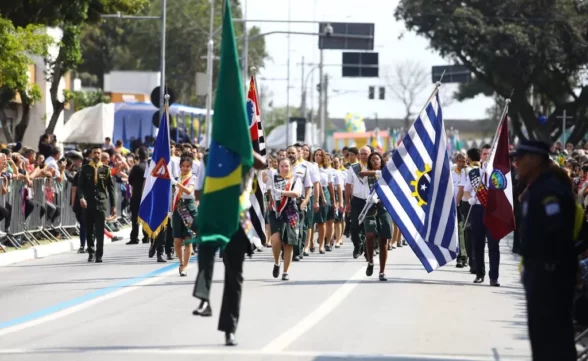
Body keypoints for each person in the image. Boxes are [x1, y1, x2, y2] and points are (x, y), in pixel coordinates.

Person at [192, 152, 268, 347]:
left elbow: (262, 163)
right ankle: (204, 299)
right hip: (213, 216)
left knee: (234, 275)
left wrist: (243, 146)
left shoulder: (246, 155)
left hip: (238, 220)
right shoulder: (210, 157)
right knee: (205, 256)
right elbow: (198, 193)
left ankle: (229, 328)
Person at [512, 140, 578, 361]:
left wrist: (548, 269)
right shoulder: (537, 188)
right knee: (541, 339)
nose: (516, 162)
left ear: (535, 160)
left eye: (520, 158)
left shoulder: (550, 191)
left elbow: (556, 234)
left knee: (553, 339)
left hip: (550, 276)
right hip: (540, 274)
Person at [77, 146, 116, 263]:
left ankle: (99, 254)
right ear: (91, 154)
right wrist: (82, 198)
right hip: (88, 204)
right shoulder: (85, 169)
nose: (96, 155)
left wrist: (113, 205)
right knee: (89, 230)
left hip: (101, 203)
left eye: (98, 153)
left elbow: (111, 188)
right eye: (94, 153)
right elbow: (80, 187)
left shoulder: (106, 169)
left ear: (101, 155)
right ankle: (91, 252)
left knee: (99, 230)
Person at [359, 152, 392, 280]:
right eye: (372, 160)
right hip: (370, 207)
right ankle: (371, 261)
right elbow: (361, 174)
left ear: (381, 160)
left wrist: (381, 173)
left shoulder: (388, 173)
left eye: (377, 159)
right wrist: (377, 173)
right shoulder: (367, 172)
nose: (375, 161)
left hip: (384, 207)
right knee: (370, 235)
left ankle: (382, 271)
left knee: (383, 240)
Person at [170, 155, 198, 276]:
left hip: (188, 209)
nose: (185, 168)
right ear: (180, 166)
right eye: (183, 166)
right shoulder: (176, 178)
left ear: (191, 167)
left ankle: (185, 266)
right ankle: (181, 262)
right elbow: (172, 196)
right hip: (177, 209)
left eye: (188, 166)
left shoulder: (193, 178)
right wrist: (170, 211)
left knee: (188, 240)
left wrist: (176, 183)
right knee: (177, 240)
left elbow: (189, 191)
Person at [127, 147, 149, 246]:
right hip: (147, 195)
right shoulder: (150, 167)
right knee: (146, 216)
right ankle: (146, 236)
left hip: (137, 194)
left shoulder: (137, 167)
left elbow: (130, 180)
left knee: (135, 217)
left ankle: (134, 237)